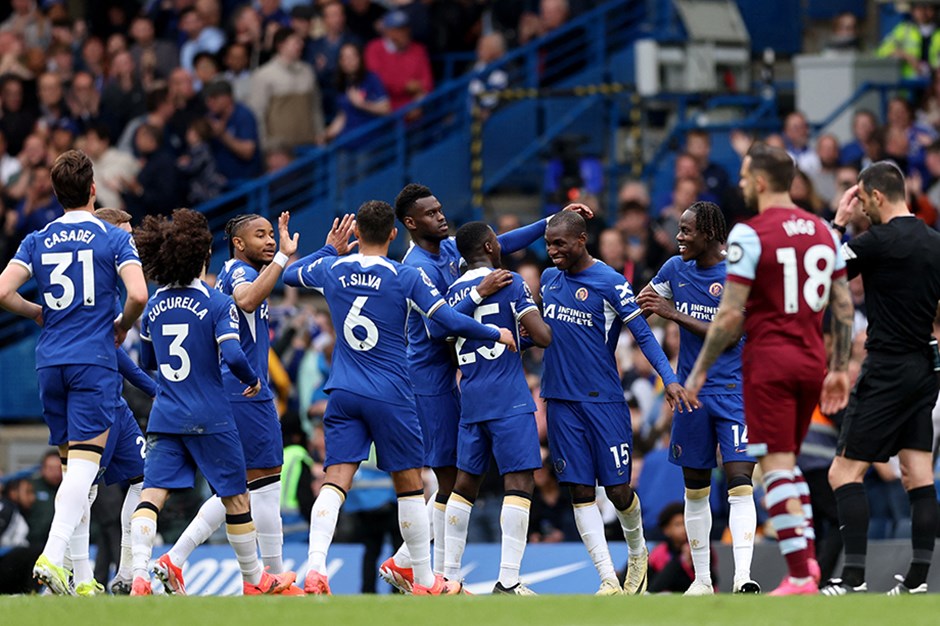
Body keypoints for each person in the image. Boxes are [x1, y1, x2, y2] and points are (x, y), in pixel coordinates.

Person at [282, 200, 517, 595]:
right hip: (391, 394)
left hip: (343, 391)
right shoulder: (405, 275)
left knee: (335, 481)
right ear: (393, 234)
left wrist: (329, 249)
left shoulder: (331, 268)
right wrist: (495, 333)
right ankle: (425, 580)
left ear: (356, 233)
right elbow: (445, 319)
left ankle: (316, 569)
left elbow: (289, 274)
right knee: (409, 486)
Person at [380, 184, 589, 590]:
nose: (441, 216)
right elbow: (433, 326)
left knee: (457, 479)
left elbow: (500, 242)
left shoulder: (451, 254)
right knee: (450, 479)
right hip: (429, 379)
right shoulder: (416, 266)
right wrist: (492, 314)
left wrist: (550, 220)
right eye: (431, 213)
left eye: (441, 209)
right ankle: (421, 568)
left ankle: (427, 571)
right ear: (410, 223)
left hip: (462, 377)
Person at [684, 142, 855, 596]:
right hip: (811, 360)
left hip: (769, 361)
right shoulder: (823, 230)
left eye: (744, 176)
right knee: (790, 463)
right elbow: (841, 304)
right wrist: (838, 367)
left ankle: (800, 574)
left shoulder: (749, 233)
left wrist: (699, 371)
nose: (740, 183)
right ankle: (809, 566)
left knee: (775, 467)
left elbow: (729, 314)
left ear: (760, 181)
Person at [156, 211, 352, 595]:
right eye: (260, 235)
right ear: (238, 243)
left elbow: (292, 276)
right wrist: (282, 259)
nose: (269, 241)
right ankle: (273, 577)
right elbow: (246, 300)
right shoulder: (239, 274)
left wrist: (326, 251)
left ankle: (174, 559)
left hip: (238, 391)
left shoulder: (248, 271)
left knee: (240, 488)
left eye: (271, 235)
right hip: (246, 391)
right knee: (263, 485)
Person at [0, 150, 148, 595]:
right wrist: (120, 325)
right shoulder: (111, 237)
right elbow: (138, 294)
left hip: (50, 362)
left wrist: (36, 312)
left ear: (56, 191)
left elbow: (4, 290)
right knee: (85, 469)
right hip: (91, 362)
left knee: (73, 473)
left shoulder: (37, 238)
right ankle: (53, 554)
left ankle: (82, 578)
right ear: (92, 190)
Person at [129, 208, 296, 596]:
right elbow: (238, 340)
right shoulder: (227, 289)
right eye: (261, 234)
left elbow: (147, 363)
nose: (269, 240)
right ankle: (262, 578)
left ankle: (144, 571)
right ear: (209, 253)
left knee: (153, 494)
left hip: (167, 413)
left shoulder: (154, 305)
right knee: (253, 488)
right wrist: (253, 379)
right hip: (224, 403)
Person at [538, 211, 691, 595]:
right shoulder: (548, 280)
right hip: (560, 401)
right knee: (579, 490)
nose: (552, 251)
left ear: (582, 239)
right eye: (548, 243)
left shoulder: (610, 282)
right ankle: (608, 577)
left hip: (603, 402)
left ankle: (638, 552)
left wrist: (669, 379)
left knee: (618, 490)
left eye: (560, 243)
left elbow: (643, 334)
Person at [822, 162, 940, 595]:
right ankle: (916, 582)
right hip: (925, 368)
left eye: (863, 200)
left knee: (843, 474)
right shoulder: (934, 242)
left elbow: (825, 278)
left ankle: (852, 578)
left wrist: (838, 222)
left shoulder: (874, 242)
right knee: (917, 473)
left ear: (873, 195)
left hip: (887, 367)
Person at [636, 201, 760, 595]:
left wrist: (671, 314)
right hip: (691, 394)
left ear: (708, 233)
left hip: (734, 390)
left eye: (686, 231)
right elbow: (642, 303)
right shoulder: (675, 269)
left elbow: (729, 335)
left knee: (740, 479)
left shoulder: (736, 275)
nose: (679, 238)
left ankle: (743, 578)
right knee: (695, 487)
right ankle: (702, 580)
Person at [441, 221, 553, 596]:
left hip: (471, 395)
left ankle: (449, 576)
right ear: (491, 246)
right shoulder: (510, 281)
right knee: (519, 482)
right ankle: (508, 579)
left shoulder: (452, 292)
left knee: (464, 486)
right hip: (509, 396)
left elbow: (441, 334)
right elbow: (542, 336)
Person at [876, 2, 940, 79]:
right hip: (909, 84)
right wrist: (907, 57)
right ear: (913, 10)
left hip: (935, 85)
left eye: (928, 8)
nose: (923, 12)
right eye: (919, 8)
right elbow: (881, 50)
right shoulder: (904, 30)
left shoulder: (938, 33)